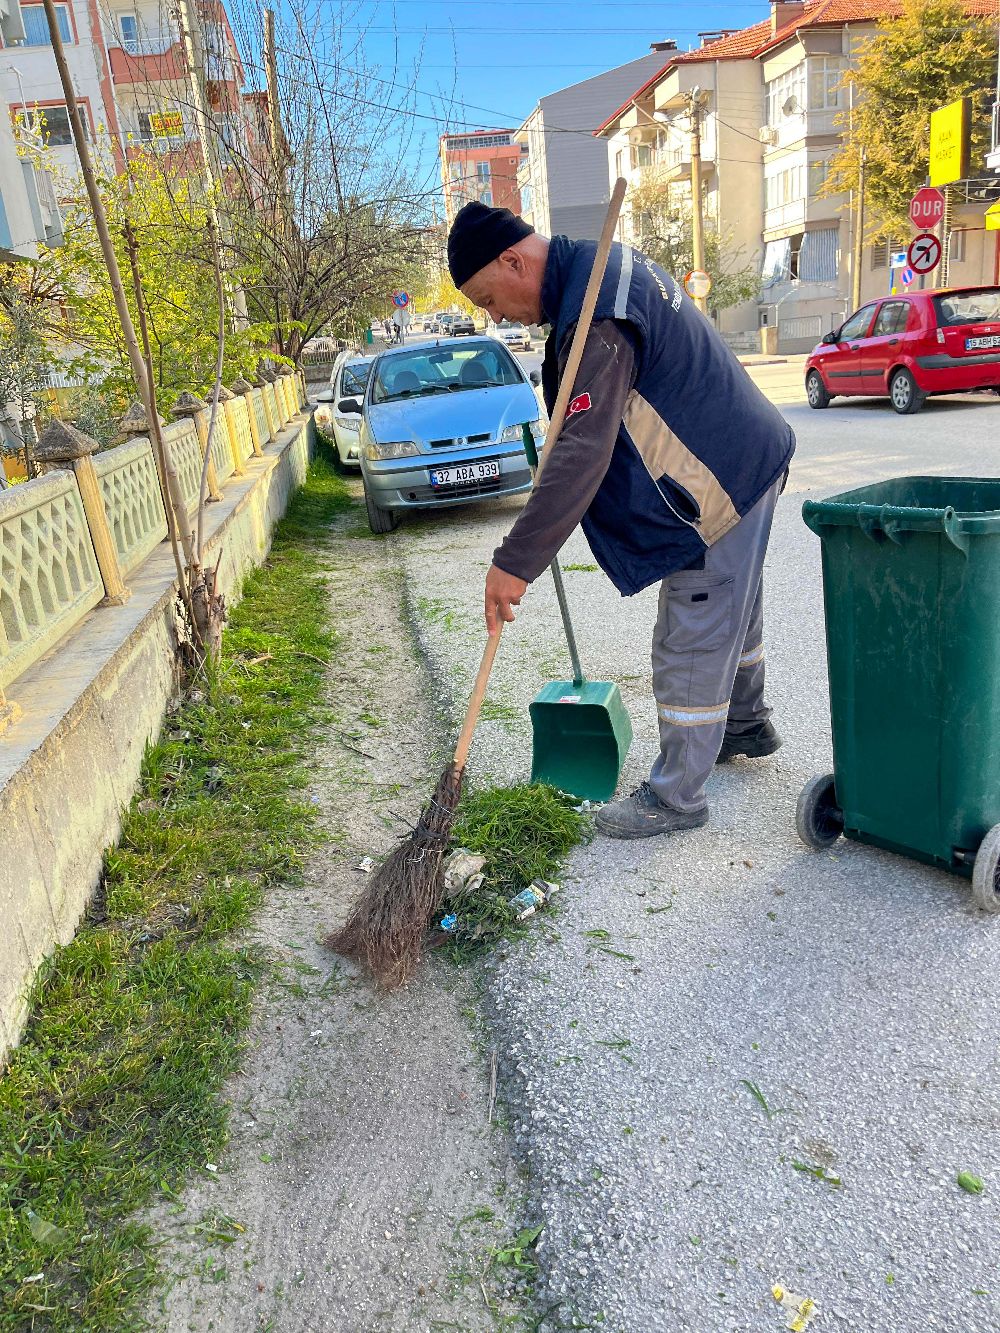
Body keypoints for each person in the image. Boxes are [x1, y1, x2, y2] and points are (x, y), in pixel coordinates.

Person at [447, 202, 795, 840]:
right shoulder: (601, 274)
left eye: (488, 298)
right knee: (735, 611)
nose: (494, 316)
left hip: (715, 483)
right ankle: (745, 725)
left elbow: (582, 450)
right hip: (751, 456)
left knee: (692, 634)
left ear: (513, 260)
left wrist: (514, 562)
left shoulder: (597, 311)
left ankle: (676, 798)